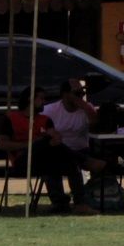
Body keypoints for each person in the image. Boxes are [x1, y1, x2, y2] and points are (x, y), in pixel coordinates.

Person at [34, 77, 107, 215]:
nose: (80, 96)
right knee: (58, 161)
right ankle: (65, 202)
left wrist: (84, 106)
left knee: (70, 160)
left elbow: (95, 125)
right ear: (65, 94)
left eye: (82, 93)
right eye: (77, 93)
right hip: (58, 152)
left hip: (81, 150)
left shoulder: (86, 109)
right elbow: (38, 127)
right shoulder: (51, 110)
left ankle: (77, 202)